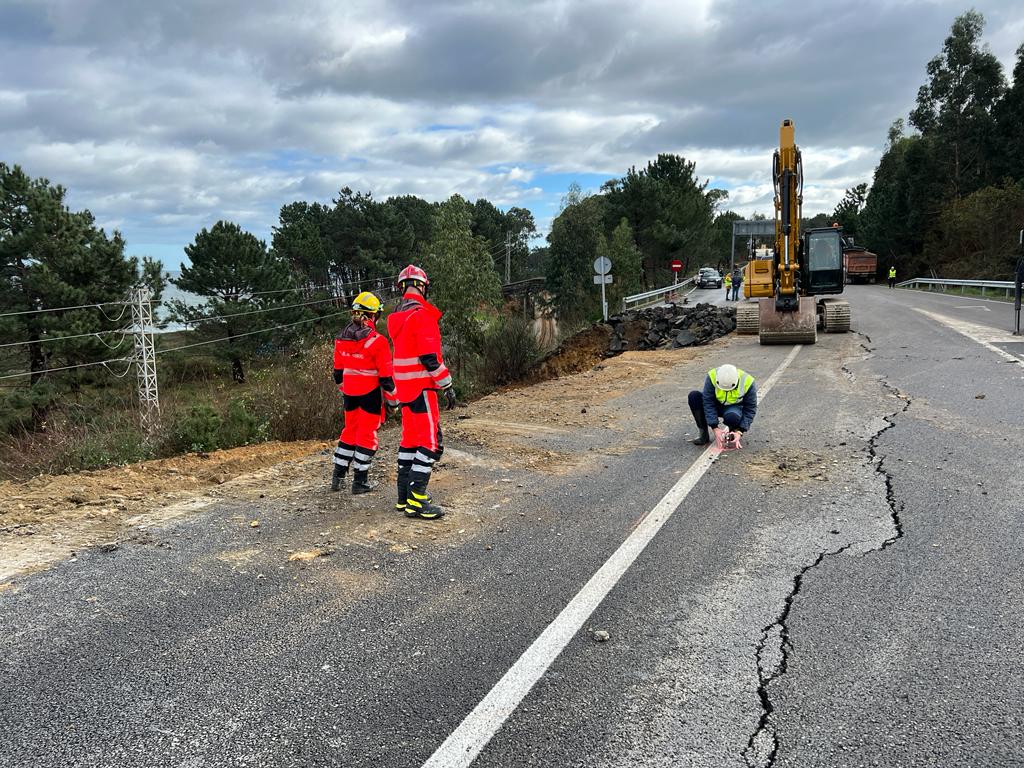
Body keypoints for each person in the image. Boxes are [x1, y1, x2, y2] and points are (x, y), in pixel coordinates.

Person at [387, 265, 457, 520]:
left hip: (404, 389)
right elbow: (430, 358)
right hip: (422, 388)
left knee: (410, 441)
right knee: (429, 443)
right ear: (423, 286)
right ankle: (417, 502)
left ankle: (404, 497)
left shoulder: (396, 317)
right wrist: (447, 385)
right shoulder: (422, 315)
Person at [331, 292, 399, 494]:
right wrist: (394, 402)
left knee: (350, 431)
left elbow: (337, 374)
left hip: (350, 394)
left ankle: (338, 477)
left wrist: (347, 391)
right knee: (367, 434)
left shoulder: (341, 339)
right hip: (370, 395)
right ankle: (359, 482)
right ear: (373, 316)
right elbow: (386, 378)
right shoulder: (378, 341)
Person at [688, 364, 757, 446]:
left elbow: (750, 409)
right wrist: (715, 428)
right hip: (716, 404)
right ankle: (703, 434)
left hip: (733, 407)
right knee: (694, 396)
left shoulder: (748, 381)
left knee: (732, 417)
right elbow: (708, 402)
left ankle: (733, 432)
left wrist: (740, 431)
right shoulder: (712, 375)